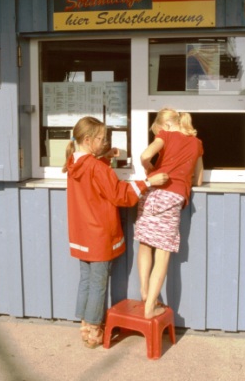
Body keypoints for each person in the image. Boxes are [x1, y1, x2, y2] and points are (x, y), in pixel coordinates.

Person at [62, 116, 168, 349]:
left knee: (86, 280)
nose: (107, 141)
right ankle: (93, 329)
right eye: (102, 138)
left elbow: (93, 178)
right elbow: (120, 194)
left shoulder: (73, 162)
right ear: (88, 140)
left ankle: (83, 322)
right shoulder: (96, 168)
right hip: (99, 235)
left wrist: (104, 158)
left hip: (81, 235)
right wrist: (148, 182)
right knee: (99, 283)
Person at [134, 108, 204, 319]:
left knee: (145, 244)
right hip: (171, 198)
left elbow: (145, 155)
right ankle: (149, 310)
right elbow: (198, 180)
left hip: (151, 193)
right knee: (162, 254)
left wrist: (150, 167)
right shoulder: (197, 144)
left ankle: (145, 292)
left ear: (165, 126)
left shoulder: (165, 135)